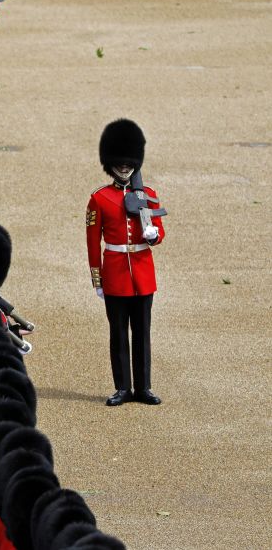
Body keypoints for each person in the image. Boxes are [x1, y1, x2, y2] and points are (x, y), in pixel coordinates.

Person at [87, 119, 166, 407]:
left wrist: (154, 234)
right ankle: (122, 387)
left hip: (143, 274)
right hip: (116, 274)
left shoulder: (148, 195)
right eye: (118, 163)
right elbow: (93, 242)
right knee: (118, 333)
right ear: (111, 163)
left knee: (142, 333)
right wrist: (98, 279)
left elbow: (159, 232)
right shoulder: (100, 199)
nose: (123, 167)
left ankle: (143, 387)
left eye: (128, 162)